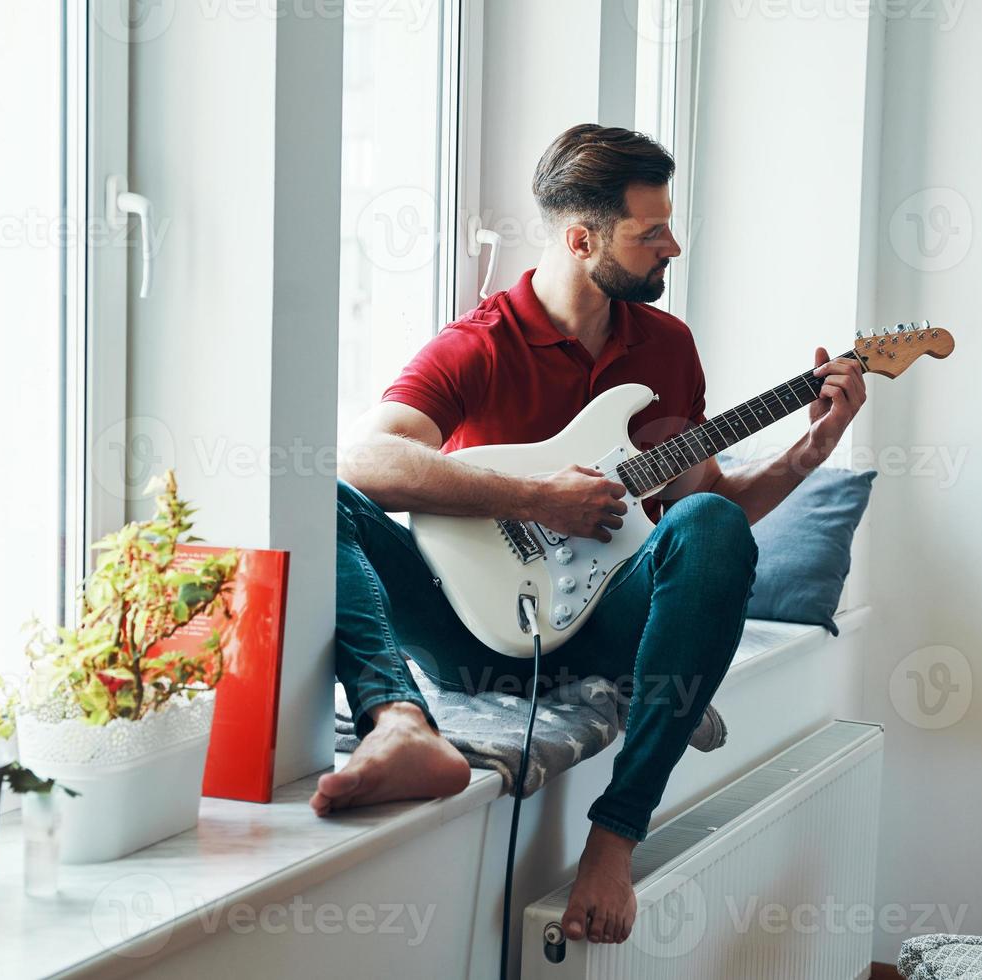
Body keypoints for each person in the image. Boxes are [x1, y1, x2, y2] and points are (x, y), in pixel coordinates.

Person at [312, 123, 867, 945]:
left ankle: (615, 834)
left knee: (706, 520)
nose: (671, 246)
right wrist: (537, 497)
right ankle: (398, 723)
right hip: (469, 627)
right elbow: (369, 457)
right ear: (582, 238)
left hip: (607, 622)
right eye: (651, 233)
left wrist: (808, 450)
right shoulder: (483, 342)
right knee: (317, 498)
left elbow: (706, 512)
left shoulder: (667, 346)